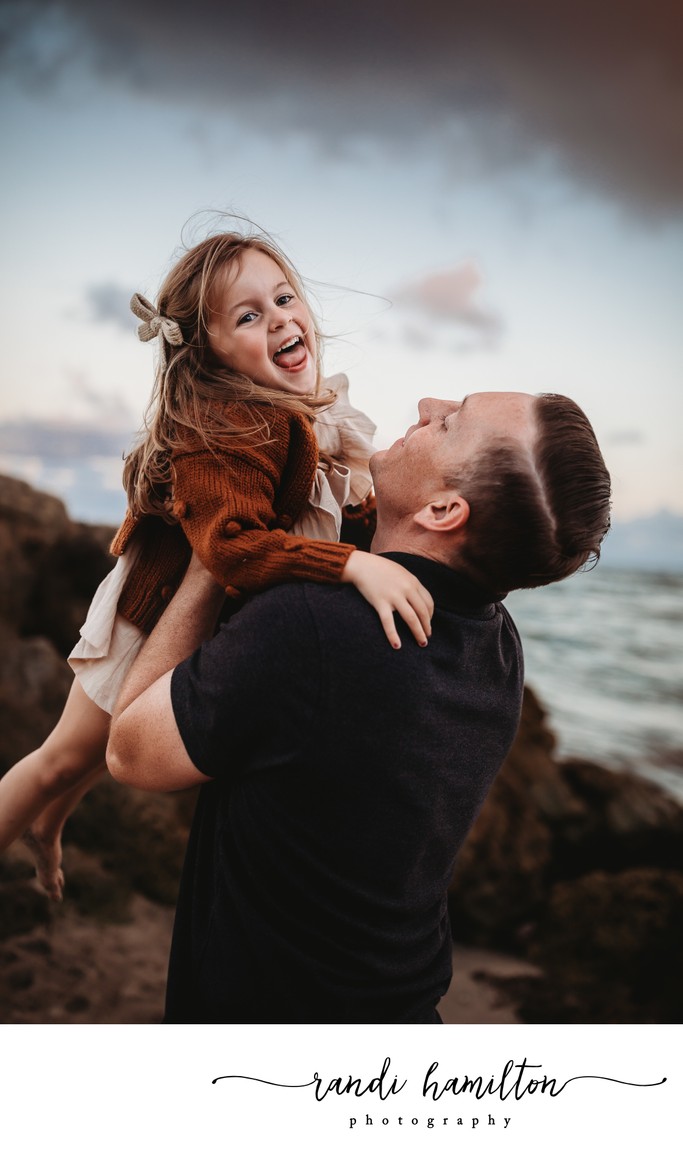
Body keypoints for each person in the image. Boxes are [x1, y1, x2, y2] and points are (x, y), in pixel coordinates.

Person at [106, 388, 611, 1024]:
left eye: (450, 423)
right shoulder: (496, 644)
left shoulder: (311, 628)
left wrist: (217, 552)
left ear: (445, 509)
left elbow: (130, 753)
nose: (428, 403)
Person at [0, 229, 434, 901]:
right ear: (210, 356)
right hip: (148, 616)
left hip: (201, 615)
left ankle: (49, 828)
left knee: (81, 763)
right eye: (248, 315)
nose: (281, 318)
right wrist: (350, 567)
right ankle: (43, 820)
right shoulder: (226, 424)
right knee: (60, 758)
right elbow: (229, 544)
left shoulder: (299, 411)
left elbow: (322, 507)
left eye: (284, 297)